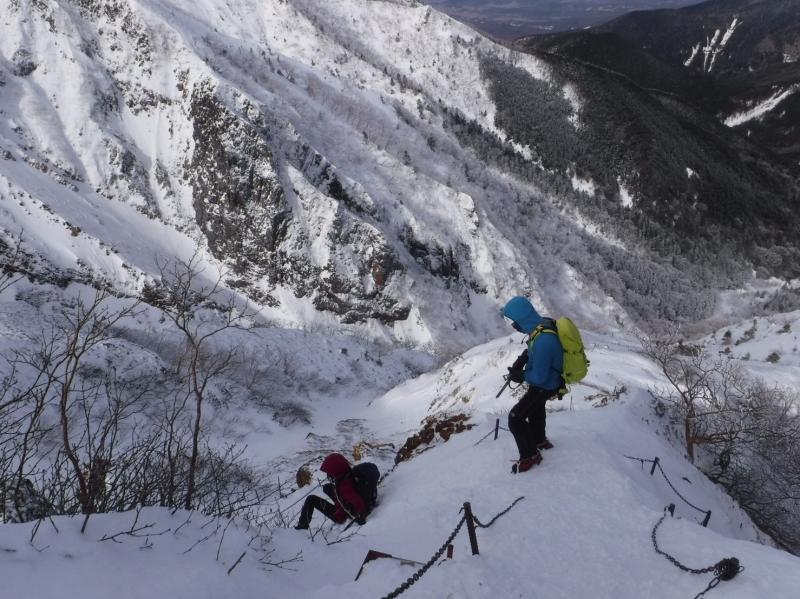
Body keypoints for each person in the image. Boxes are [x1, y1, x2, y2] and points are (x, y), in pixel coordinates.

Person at [502, 296, 564, 473]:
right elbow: (535, 347)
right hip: (550, 379)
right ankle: (539, 440)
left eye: (513, 322)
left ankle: (530, 455)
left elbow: (539, 377)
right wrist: (523, 358)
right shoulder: (541, 324)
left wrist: (520, 375)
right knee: (536, 409)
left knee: (515, 418)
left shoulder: (544, 340)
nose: (513, 326)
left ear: (521, 319)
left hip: (547, 384)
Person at [294, 453, 368, 530]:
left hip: (341, 515)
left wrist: (362, 515)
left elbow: (357, 501)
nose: (328, 474)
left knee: (311, 499)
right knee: (327, 487)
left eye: (329, 472)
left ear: (335, 470)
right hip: (346, 504)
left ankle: (302, 526)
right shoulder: (347, 473)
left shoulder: (344, 486)